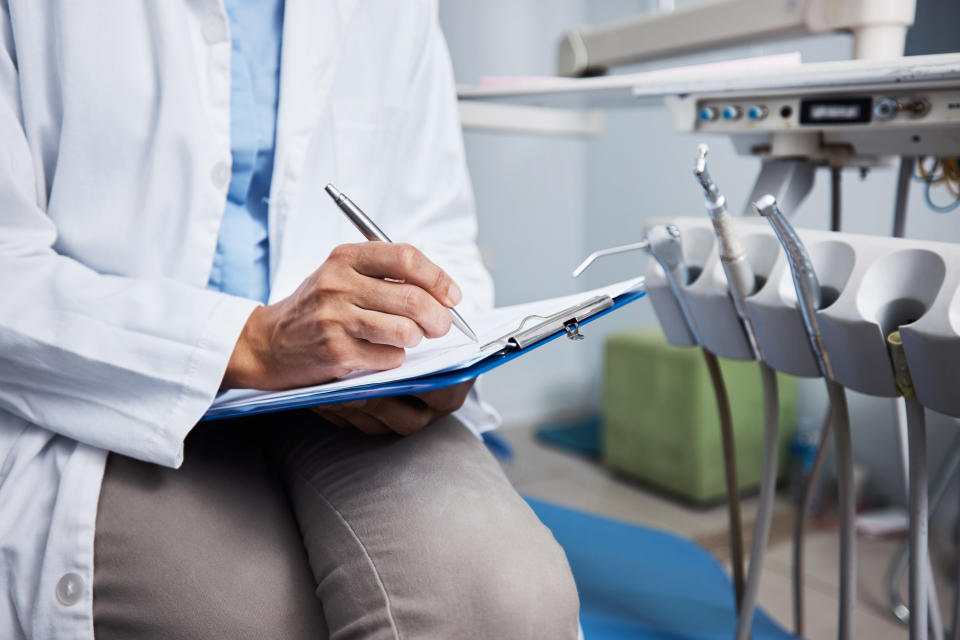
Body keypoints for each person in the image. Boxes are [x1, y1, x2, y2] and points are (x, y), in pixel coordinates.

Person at [0, 1, 580, 638]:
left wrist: (437, 348)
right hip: (112, 390)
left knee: (505, 599)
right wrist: (250, 344)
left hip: (346, 392)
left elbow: (436, 226)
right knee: (255, 620)